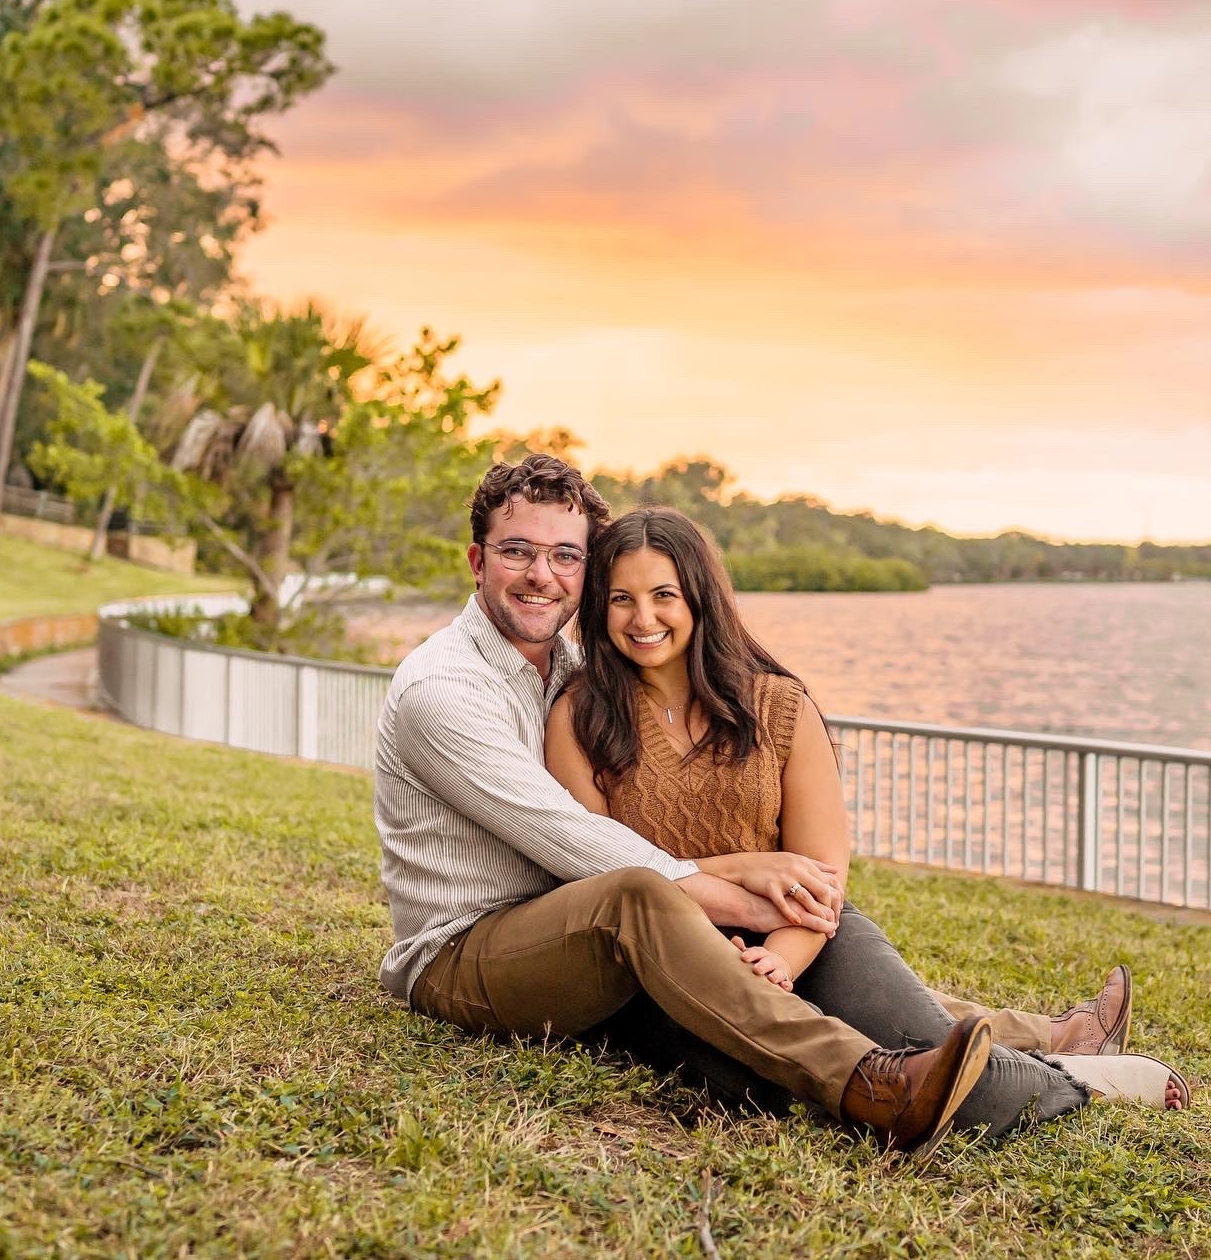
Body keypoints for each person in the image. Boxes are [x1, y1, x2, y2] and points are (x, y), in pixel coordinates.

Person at [375, 455, 994, 1155]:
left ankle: (1030, 1039)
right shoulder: (442, 691)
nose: (540, 574)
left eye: (564, 555)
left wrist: (743, 877)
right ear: (477, 560)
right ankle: (871, 1085)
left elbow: (597, 849)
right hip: (465, 949)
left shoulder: (575, 671)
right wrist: (751, 897)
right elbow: (571, 840)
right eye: (517, 551)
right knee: (639, 897)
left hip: (567, 921)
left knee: (712, 941)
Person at [544, 506, 1192, 1132]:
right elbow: (603, 865)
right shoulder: (579, 718)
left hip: (807, 932)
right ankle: (1063, 1060)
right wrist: (741, 872)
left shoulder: (779, 706)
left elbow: (821, 870)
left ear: (700, 599)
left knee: (932, 1049)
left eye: (664, 594)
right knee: (758, 1086)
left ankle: (1071, 1080)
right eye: (620, 598)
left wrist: (783, 961)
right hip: (671, 957)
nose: (643, 617)